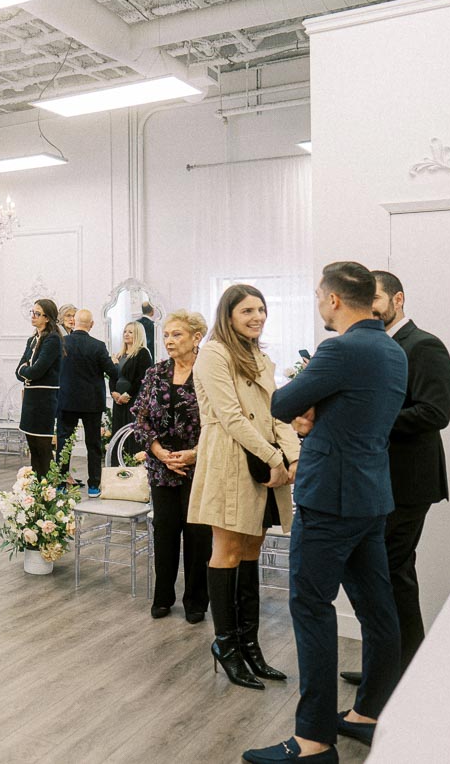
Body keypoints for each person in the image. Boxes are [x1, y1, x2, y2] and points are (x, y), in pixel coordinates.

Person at [243, 263, 408, 764]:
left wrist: (307, 410)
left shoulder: (339, 348)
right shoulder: (393, 350)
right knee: (378, 609)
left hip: (328, 501)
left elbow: (282, 403)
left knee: (311, 607)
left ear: (335, 299)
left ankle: (313, 740)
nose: (318, 303)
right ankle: (368, 713)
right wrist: (318, 413)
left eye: (319, 295)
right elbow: (350, 412)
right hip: (370, 497)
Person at [334, 271, 450, 685]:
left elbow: (436, 412)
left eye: (377, 298)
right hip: (377, 482)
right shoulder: (375, 347)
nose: (369, 306)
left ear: (398, 299)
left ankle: (402, 675)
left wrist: (370, 421)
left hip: (408, 483)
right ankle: (385, 667)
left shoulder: (424, 345)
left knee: (392, 574)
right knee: (381, 576)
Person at [188, 284, 300, 692]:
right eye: (247, 310)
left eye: (261, 309)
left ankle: (250, 644)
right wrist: (274, 458)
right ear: (229, 315)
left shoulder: (262, 357)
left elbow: (279, 415)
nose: (257, 316)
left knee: (252, 549)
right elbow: (231, 417)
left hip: (264, 462)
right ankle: (225, 645)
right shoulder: (213, 354)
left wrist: (292, 456)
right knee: (228, 549)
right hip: (230, 460)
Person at [131, 310, 212, 623]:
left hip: (200, 465)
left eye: (176, 334)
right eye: (166, 335)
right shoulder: (156, 372)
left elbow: (219, 420)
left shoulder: (209, 370)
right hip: (161, 466)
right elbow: (139, 416)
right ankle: (163, 596)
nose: (169, 340)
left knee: (197, 535)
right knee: (164, 533)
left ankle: (196, 601)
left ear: (196, 337)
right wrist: (158, 451)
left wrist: (194, 454)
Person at [56, 308, 117, 494]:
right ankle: (93, 486)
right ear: (91, 325)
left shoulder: (61, 343)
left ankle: (60, 484)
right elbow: (113, 372)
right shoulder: (98, 346)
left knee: (64, 443)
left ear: (74, 322)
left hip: (67, 401)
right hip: (92, 403)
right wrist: (114, 362)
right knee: (93, 445)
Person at [16, 299, 64, 478]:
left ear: (47, 318)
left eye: (37, 313)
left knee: (43, 448)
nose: (33, 316)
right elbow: (19, 369)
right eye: (32, 312)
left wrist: (25, 370)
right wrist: (25, 369)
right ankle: (38, 491)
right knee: (33, 448)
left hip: (44, 399)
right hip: (30, 399)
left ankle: (48, 489)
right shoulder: (32, 339)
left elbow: (36, 370)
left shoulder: (52, 340)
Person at [110, 321, 152, 433]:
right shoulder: (119, 355)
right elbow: (113, 375)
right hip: (118, 399)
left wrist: (128, 394)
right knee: (118, 431)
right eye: (125, 331)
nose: (126, 334)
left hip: (132, 399)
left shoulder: (142, 353)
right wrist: (113, 392)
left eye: (130, 332)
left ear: (138, 335)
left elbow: (142, 378)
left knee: (131, 432)